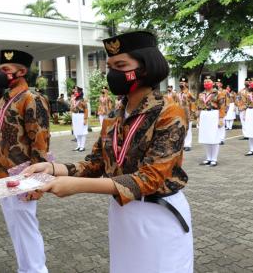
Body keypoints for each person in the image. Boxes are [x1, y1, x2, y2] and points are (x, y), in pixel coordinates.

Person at [23, 31, 193, 273]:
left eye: (121, 65)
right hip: (122, 213)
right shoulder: (114, 115)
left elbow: (150, 178)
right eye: (110, 66)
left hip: (159, 215)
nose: (112, 73)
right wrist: (52, 169)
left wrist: (74, 186)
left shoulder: (169, 112)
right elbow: (95, 164)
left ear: (145, 68)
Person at [0, 49, 50, 273]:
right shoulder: (6, 98)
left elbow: (40, 142)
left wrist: (37, 183)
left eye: (6, 70)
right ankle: (25, 269)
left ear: (22, 71)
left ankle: (36, 270)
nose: (2, 73)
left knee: (26, 228)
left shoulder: (32, 98)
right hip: (3, 175)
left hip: (23, 175)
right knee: (16, 228)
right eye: (1, 70)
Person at [196, 76, 225, 166]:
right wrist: (198, 118)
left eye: (208, 81)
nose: (206, 83)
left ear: (213, 83)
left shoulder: (219, 93)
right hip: (204, 115)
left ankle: (214, 159)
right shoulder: (201, 94)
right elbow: (199, 106)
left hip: (214, 114)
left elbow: (222, 106)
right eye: (205, 81)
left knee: (214, 137)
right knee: (206, 137)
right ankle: (208, 158)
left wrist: (221, 118)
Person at [175, 77, 196, 151]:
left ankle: (188, 144)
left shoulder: (189, 93)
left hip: (187, 114)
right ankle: (182, 144)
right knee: (180, 129)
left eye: (183, 82)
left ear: (186, 84)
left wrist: (192, 113)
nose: (181, 83)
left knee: (188, 129)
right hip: (179, 114)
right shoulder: (177, 94)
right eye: (180, 82)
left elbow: (193, 103)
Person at [71, 86, 88, 152]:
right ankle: (78, 146)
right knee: (77, 132)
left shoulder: (83, 100)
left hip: (81, 116)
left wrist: (85, 119)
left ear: (80, 92)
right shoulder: (74, 100)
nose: (75, 92)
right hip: (75, 116)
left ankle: (82, 146)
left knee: (82, 132)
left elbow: (86, 109)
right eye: (74, 91)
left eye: (76, 91)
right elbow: (72, 109)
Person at [241, 81, 253, 155]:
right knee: (250, 130)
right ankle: (251, 149)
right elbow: (245, 104)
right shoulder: (247, 94)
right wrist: (245, 113)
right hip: (249, 111)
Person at [215, 79, 227, 144]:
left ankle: (221, 139)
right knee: (215, 125)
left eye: (219, 83)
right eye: (216, 83)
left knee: (221, 125)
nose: (217, 84)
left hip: (222, 109)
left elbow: (227, 101)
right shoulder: (213, 91)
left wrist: (226, 111)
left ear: (221, 84)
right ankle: (216, 138)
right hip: (214, 111)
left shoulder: (225, 91)